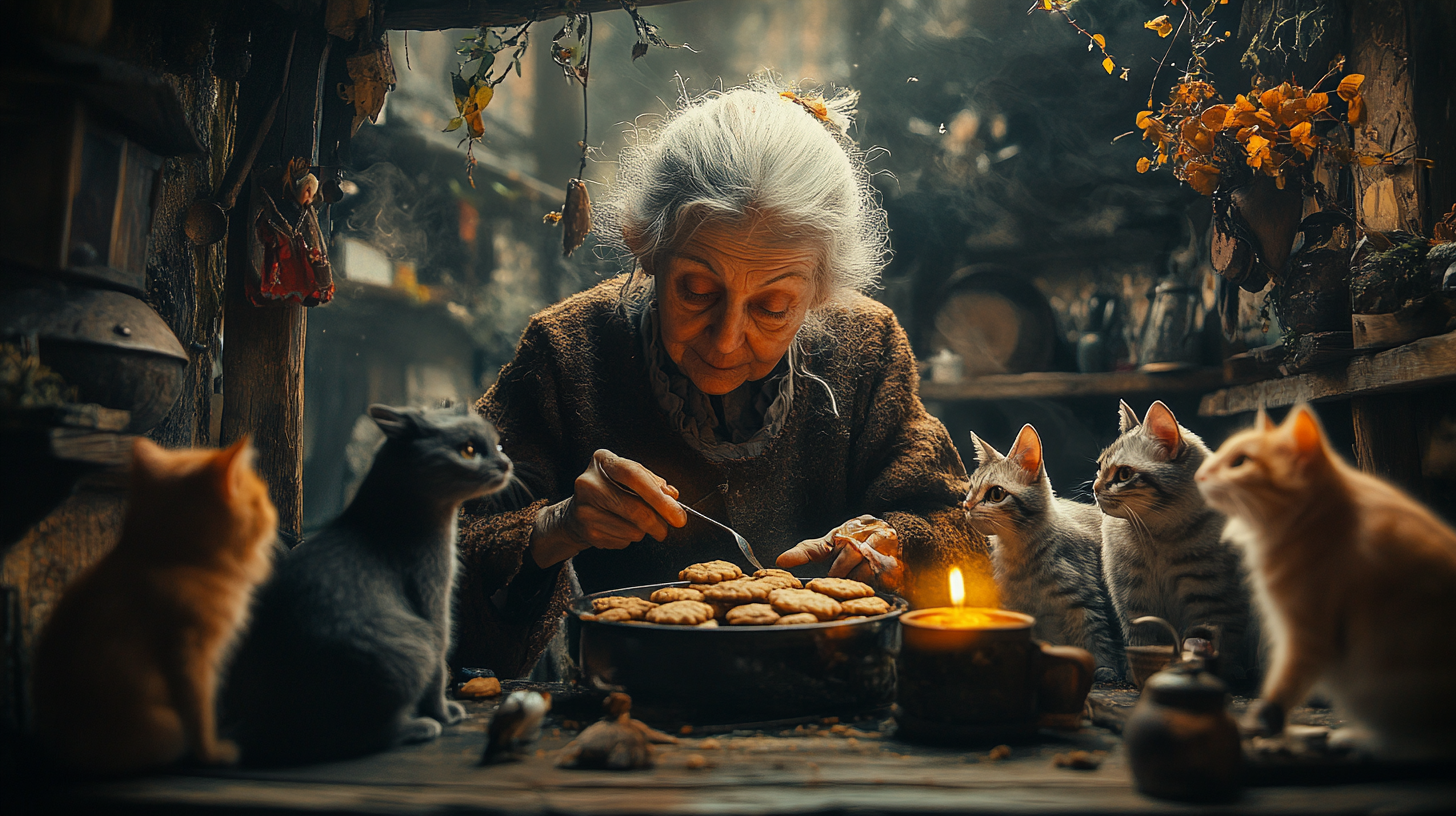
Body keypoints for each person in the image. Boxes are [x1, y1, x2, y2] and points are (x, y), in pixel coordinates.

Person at [454, 83, 991, 676]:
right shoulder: (566, 352)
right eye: (698, 290)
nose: (726, 338)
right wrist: (554, 529)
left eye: (772, 306)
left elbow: (959, 533)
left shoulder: (865, 347)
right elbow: (435, 553)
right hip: (622, 704)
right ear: (646, 246)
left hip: (826, 706)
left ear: (820, 291)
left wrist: (893, 542)